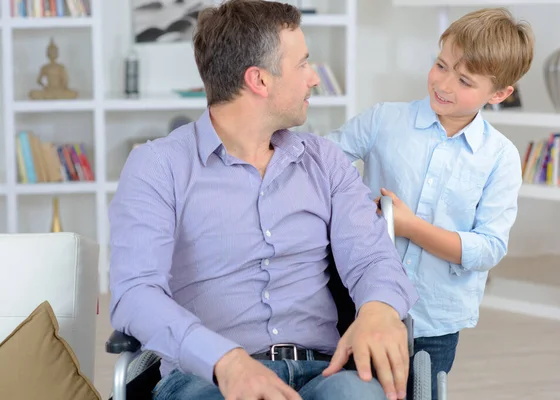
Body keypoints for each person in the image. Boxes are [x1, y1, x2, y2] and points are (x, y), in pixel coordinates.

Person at [108, 1, 418, 400]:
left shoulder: (323, 161)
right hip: (208, 380)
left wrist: (379, 306)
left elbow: (372, 257)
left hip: (327, 370)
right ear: (259, 80)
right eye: (303, 64)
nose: (313, 79)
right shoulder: (157, 167)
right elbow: (135, 293)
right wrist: (226, 360)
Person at [325, 7, 534, 400]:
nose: (444, 84)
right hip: (360, 306)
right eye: (441, 65)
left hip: (435, 319)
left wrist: (407, 226)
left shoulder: (500, 158)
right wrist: (356, 204)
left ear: (500, 94)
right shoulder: (384, 121)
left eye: (465, 80)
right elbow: (322, 161)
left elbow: (488, 247)